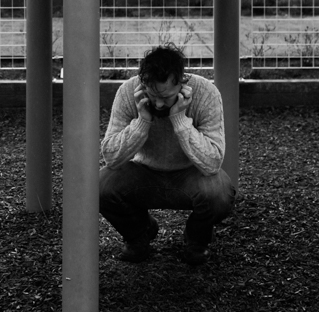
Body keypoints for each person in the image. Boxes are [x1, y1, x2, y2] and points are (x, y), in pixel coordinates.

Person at [99, 43, 236, 265]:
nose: (159, 103)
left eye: (167, 96)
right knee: (100, 186)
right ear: (143, 85)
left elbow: (212, 162)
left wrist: (179, 119)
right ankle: (139, 234)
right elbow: (111, 157)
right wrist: (142, 120)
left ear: (182, 83)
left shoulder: (206, 93)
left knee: (219, 194)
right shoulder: (128, 92)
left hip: (191, 174)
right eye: (153, 96)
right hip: (143, 172)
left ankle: (196, 240)